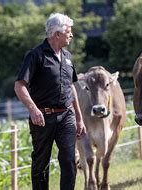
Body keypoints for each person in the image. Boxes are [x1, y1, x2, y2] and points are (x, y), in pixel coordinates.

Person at [14, 13, 86, 190]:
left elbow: (71, 88)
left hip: (66, 116)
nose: (71, 35)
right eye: (68, 32)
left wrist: (79, 118)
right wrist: (33, 109)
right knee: (41, 163)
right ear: (57, 34)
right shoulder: (36, 55)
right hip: (42, 118)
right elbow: (19, 85)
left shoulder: (68, 57)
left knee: (69, 160)